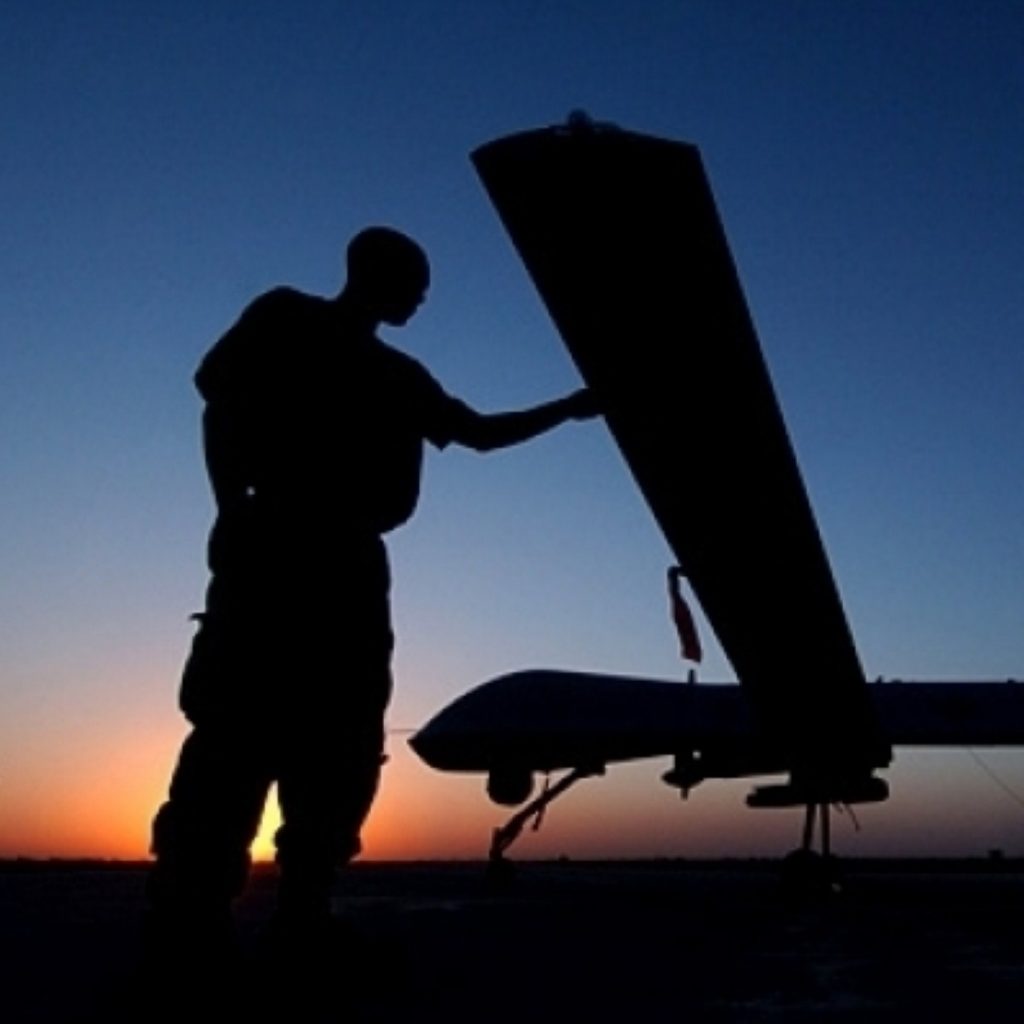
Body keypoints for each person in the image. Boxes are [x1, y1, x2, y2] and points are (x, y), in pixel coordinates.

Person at [146, 226, 597, 954]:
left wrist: (567, 410)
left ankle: (301, 913)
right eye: (415, 283)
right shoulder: (284, 317)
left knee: (341, 743)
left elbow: (477, 432)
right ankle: (191, 916)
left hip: (348, 566)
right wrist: (231, 508)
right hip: (275, 550)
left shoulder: (403, 377)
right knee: (236, 732)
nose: (421, 299)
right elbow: (219, 405)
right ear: (374, 275)